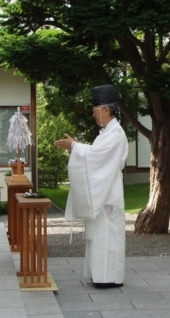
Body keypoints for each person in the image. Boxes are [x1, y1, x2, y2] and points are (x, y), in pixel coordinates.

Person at [54, 84, 128, 288]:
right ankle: (100, 275)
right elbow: (95, 157)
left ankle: (109, 277)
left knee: (107, 235)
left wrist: (76, 148)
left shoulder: (115, 134)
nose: (94, 115)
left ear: (106, 110)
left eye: (95, 111)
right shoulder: (106, 133)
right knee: (99, 235)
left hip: (109, 195)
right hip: (104, 192)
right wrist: (77, 149)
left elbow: (97, 157)